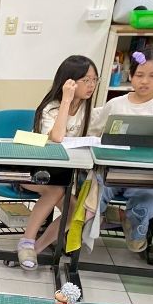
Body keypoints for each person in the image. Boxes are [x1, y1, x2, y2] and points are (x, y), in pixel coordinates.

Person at [14, 55, 99, 270]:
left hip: (62, 175)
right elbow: (57, 137)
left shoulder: (87, 109)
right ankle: (26, 241)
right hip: (32, 171)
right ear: (69, 82)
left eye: (94, 80)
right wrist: (66, 100)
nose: (91, 85)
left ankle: (36, 249)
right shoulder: (51, 108)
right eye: (86, 80)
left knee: (74, 211)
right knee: (56, 191)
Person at [91, 49, 153, 252]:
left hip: (147, 177)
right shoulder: (116, 104)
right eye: (139, 75)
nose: (145, 81)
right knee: (94, 193)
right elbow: (94, 133)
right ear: (130, 76)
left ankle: (133, 227)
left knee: (147, 200)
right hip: (110, 171)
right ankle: (87, 231)